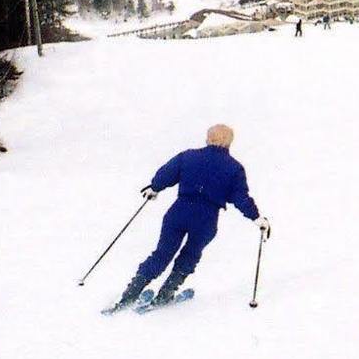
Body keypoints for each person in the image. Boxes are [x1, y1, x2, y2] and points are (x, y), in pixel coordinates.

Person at [108, 123, 268, 310]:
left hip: (178, 212)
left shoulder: (188, 156)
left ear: (208, 138)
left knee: (161, 254)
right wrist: (256, 218)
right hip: (206, 220)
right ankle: (165, 295)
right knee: (190, 255)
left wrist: (154, 187)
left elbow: (166, 173)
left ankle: (129, 295)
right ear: (230, 143)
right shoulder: (234, 169)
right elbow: (240, 197)